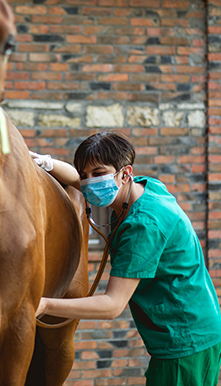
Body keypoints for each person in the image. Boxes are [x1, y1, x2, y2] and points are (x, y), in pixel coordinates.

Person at [32, 130, 221, 386]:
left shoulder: (143, 225)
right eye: (85, 175)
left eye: (98, 174)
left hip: (184, 339)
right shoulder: (144, 189)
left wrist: (43, 304)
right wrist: (46, 163)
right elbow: (80, 180)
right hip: (199, 329)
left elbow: (112, 305)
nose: (89, 183)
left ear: (125, 173)